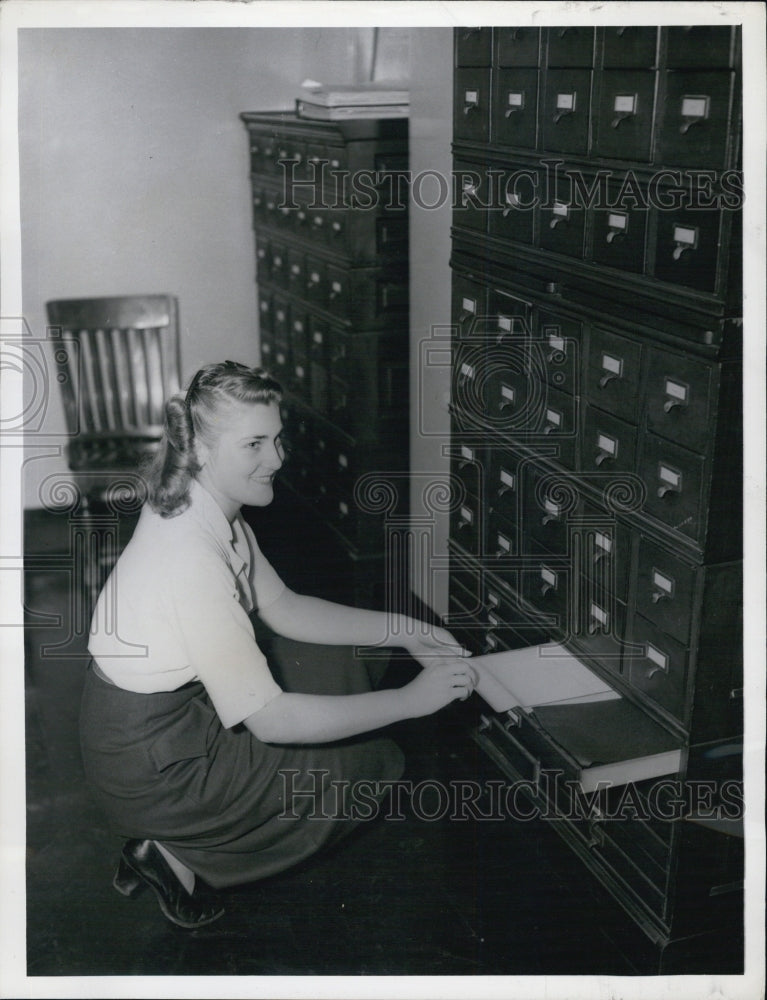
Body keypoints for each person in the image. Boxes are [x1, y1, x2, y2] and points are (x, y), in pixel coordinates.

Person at [81, 360, 476, 929]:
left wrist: (405, 628)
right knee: (377, 762)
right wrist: (415, 700)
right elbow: (271, 721)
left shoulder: (208, 508)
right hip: (152, 768)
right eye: (255, 444)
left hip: (164, 724)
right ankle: (175, 852)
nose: (278, 458)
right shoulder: (190, 556)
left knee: (353, 655)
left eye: (277, 438)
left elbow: (284, 607)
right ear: (203, 451)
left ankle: (183, 840)